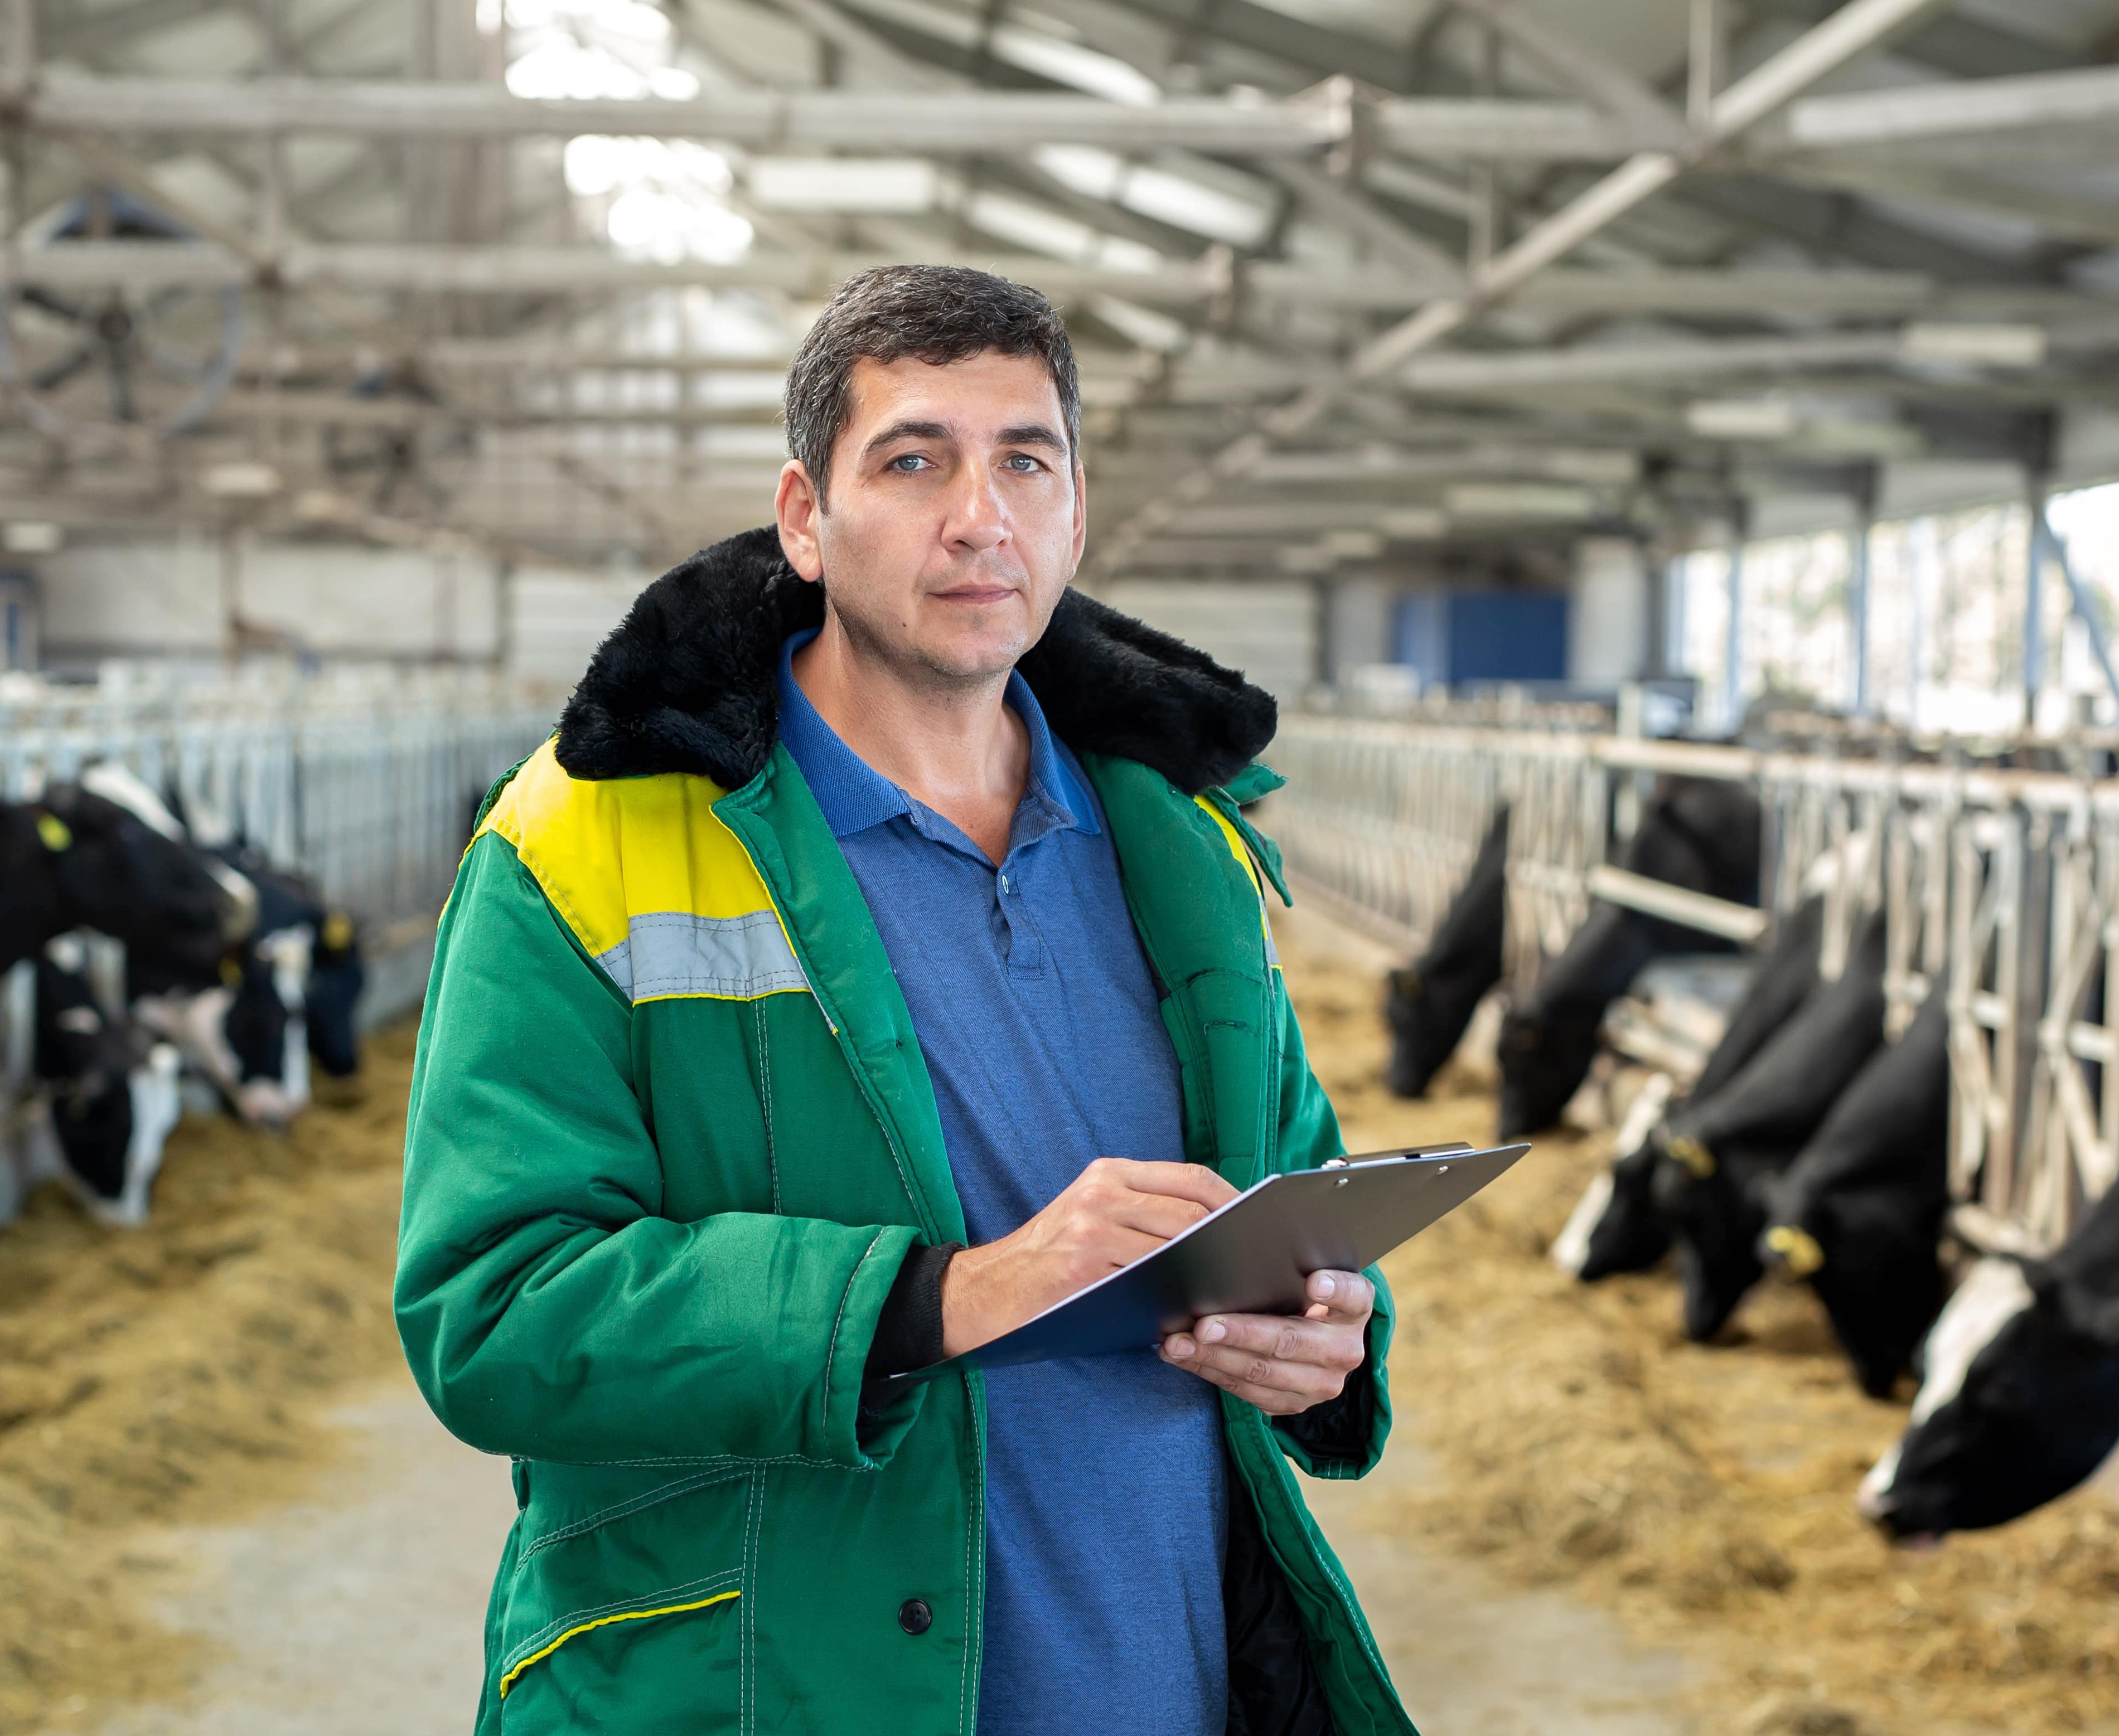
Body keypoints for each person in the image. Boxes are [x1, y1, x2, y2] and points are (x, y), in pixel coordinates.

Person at [395, 263, 1412, 1736]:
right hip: (782, 1687)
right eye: (914, 458)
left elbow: (1297, 1190)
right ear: (805, 519)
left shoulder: (1183, 849)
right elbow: (491, 1308)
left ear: (1076, 514)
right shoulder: (582, 840)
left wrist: (1328, 1335)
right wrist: (934, 1300)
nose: (976, 514)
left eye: (1025, 461)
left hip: (1179, 1685)